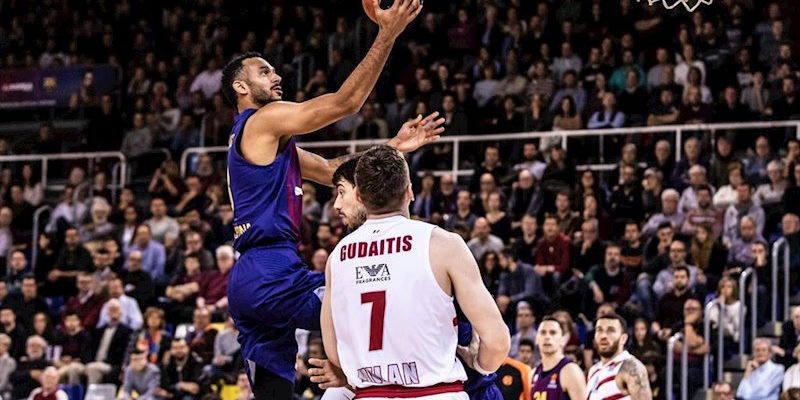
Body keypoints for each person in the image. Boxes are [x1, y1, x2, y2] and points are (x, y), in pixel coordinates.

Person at [221, 3, 440, 395]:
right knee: (375, 298)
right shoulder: (262, 120)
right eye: (264, 71)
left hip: (247, 280)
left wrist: (392, 147)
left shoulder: (263, 142)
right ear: (240, 87)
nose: (277, 76)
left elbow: (331, 170)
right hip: (273, 270)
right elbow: (345, 104)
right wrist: (387, 33)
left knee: (273, 392)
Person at [321, 146, 510, 398]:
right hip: (436, 392)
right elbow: (498, 342)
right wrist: (479, 363)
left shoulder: (337, 257)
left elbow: (334, 353)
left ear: (360, 196)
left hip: (371, 393)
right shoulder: (443, 244)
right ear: (409, 192)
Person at [586, 313, 651, 399]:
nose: (603, 336)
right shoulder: (593, 370)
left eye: (611, 330)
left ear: (623, 338)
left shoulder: (630, 366)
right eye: (599, 330)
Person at [530, 316, 587, 400]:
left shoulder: (571, 371)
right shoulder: (533, 374)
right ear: (536, 339)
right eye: (543, 332)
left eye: (553, 333)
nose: (547, 337)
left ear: (563, 339)